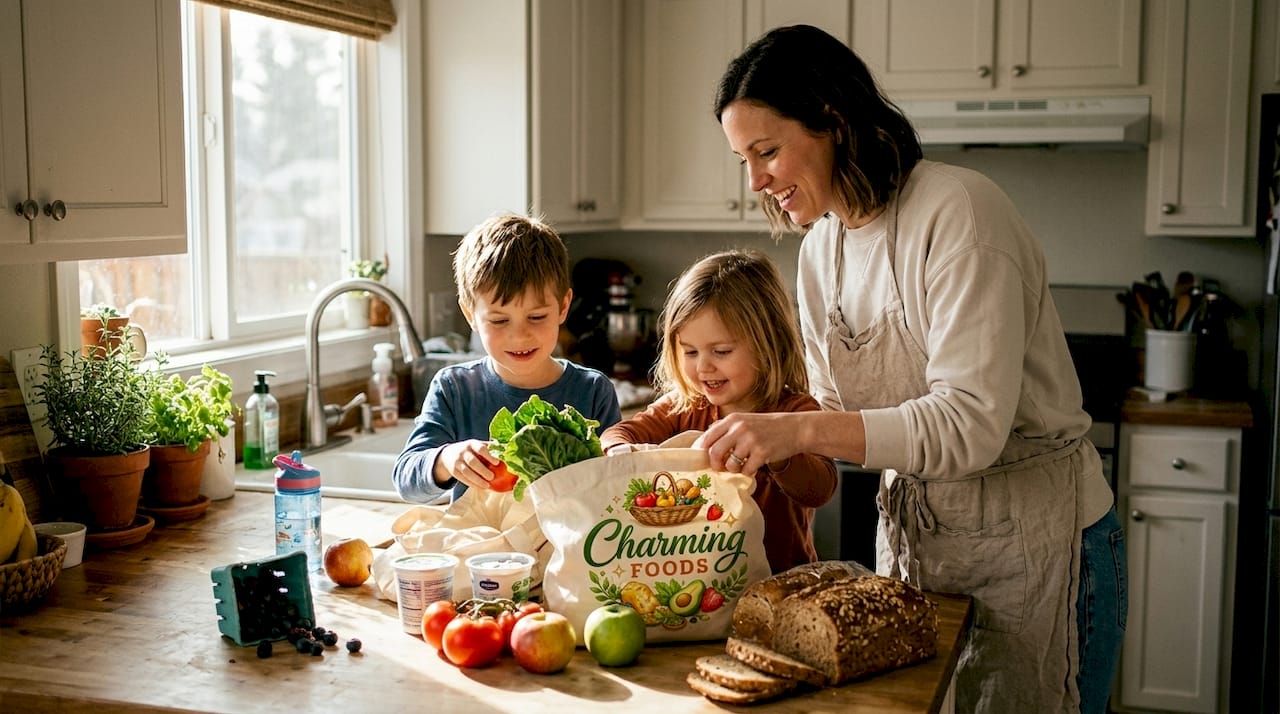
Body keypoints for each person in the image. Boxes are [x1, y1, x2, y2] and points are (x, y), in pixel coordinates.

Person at [701, 25, 1125, 714]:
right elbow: (832, 423)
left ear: (833, 121)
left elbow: (968, 429)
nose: (756, 181)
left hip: (1037, 545)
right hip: (917, 546)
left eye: (768, 151)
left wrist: (794, 433)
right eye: (743, 160)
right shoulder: (821, 253)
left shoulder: (959, 211)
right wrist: (761, 434)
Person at [600, 249, 837, 575]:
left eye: (721, 351)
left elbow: (819, 489)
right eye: (690, 352)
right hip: (700, 588)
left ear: (769, 343)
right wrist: (619, 451)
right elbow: (619, 432)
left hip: (780, 583)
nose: (704, 367)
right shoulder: (683, 406)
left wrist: (780, 452)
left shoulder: (795, 413)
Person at [393, 213, 621, 504]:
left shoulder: (592, 391)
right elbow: (405, 479)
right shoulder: (454, 389)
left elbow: (616, 483)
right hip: (483, 546)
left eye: (537, 317)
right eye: (500, 321)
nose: (520, 335)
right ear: (470, 315)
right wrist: (446, 459)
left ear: (564, 307)